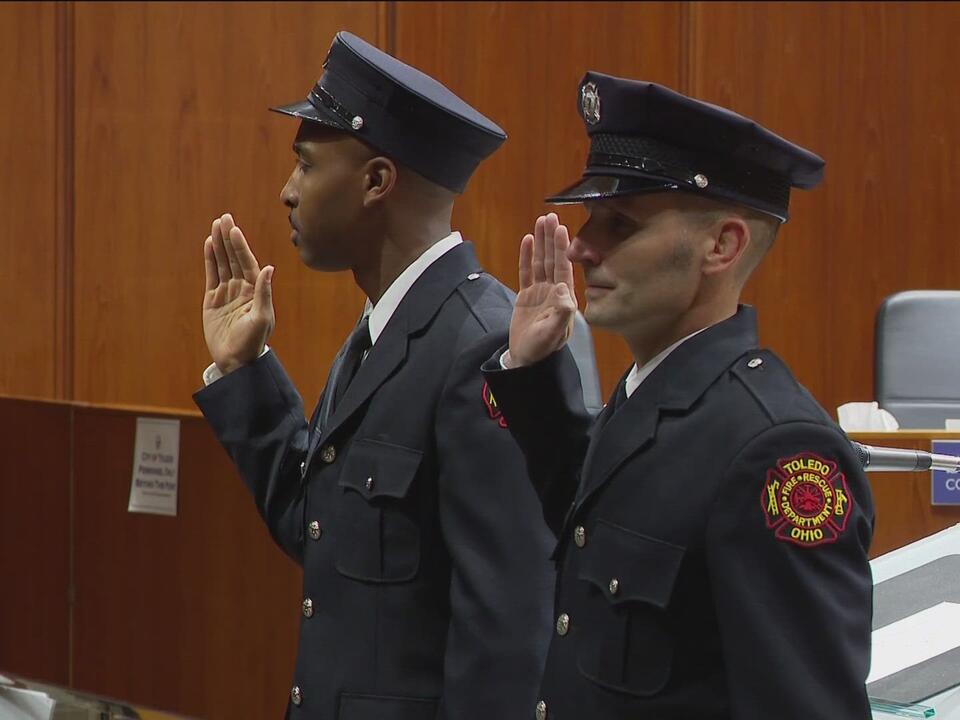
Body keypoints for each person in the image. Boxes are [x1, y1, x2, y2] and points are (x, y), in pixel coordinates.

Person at [481, 73, 875, 720]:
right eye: (587, 219)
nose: (581, 246)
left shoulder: (773, 450)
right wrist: (528, 370)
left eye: (620, 223)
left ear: (721, 246)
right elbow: (593, 526)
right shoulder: (650, 395)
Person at [193, 31, 554, 720]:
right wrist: (245, 371)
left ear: (376, 181)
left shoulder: (485, 346)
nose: (287, 193)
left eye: (305, 166)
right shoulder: (380, 337)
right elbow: (324, 530)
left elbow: (508, 638)